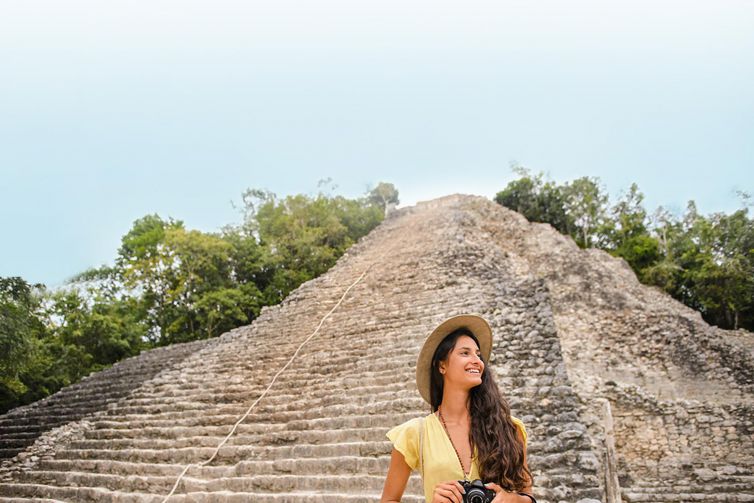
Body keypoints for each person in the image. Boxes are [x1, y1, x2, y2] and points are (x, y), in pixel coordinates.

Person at [380, 314, 536, 503]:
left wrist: (512, 500)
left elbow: (528, 496)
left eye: (478, 355)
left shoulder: (510, 428)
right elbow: (389, 499)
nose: (477, 361)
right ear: (442, 365)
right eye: (465, 353)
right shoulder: (415, 433)